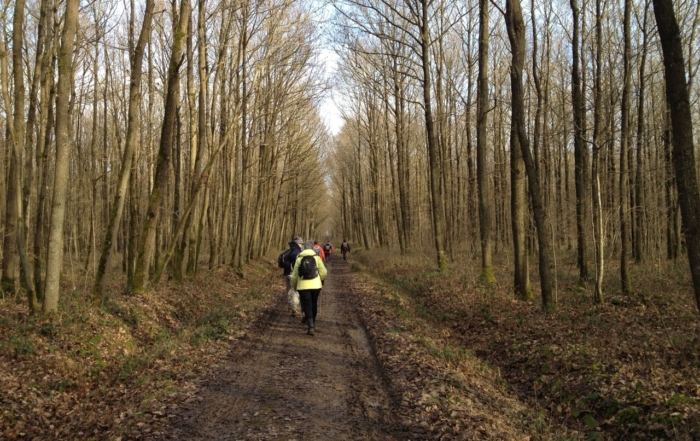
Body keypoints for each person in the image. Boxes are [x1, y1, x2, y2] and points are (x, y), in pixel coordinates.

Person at [291, 240, 327, 335]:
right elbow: (324, 272)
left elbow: (294, 275)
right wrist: (321, 280)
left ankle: (310, 326)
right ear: (312, 247)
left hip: (303, 286)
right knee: (314, 303)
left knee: (307, 305)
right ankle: (313, 323)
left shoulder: (299, 258)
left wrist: (295, 285)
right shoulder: (317, 257)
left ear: (304, 248)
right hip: (316, 285)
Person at [281, 236, 304, 316]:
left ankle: (290, 305)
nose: (302, 245)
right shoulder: (296, 251)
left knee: (289, 290)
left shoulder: (288, 249)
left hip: (286, 273)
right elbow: (294, 258)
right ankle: (294, 308)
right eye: (301, 244)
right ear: (298, 244)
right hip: (293, 274)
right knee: (295, 291)